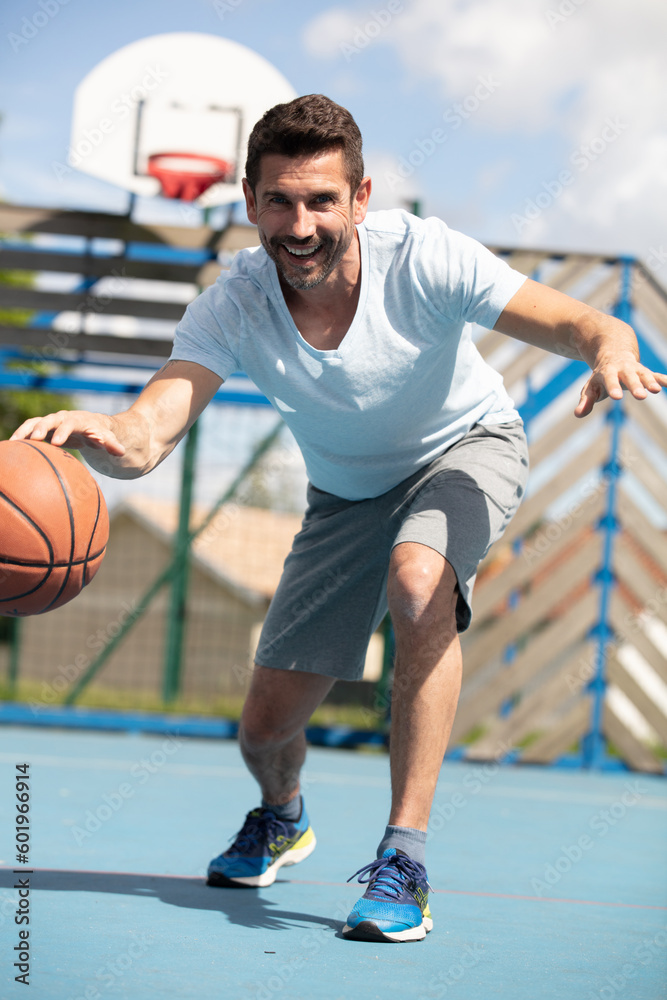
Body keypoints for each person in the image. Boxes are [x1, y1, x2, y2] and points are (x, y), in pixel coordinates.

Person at [12, 95, 666, 944]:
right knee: (265, 729)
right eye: (279, 201)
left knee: (419, 575)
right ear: (248, 200)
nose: (300, 223)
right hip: (346, 496)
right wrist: (112, 435)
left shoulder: (425, 257)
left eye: (321, 200)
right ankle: (282, 815)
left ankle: (404, 858)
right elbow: (151, 431)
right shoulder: (233, 304)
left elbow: (582, 321)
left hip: (465, 447)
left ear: (360, 197)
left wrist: (612, 347)